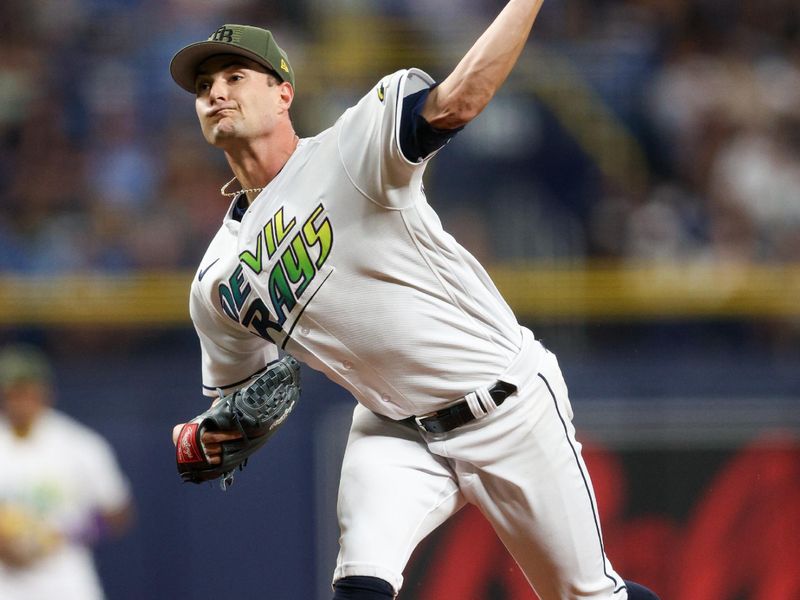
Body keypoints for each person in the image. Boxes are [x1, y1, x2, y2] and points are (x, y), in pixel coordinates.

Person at [168, 3, 660, 599]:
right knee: (360, 585)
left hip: (504, 402)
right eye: (203, 85)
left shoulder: (351, 149)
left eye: (234, 77)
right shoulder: (215, 280)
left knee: (588, 597)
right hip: (395, 427)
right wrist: (210, 434)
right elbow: (243, 402)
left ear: (283, 94)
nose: (215, 92)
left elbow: (460, 100)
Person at [0, 344, 134, 600]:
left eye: (27, 390)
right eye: (13, 391)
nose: (21, 400)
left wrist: (69, 534)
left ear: (44, 391)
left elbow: (118, 512)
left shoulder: (79, 445)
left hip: (65, 582)